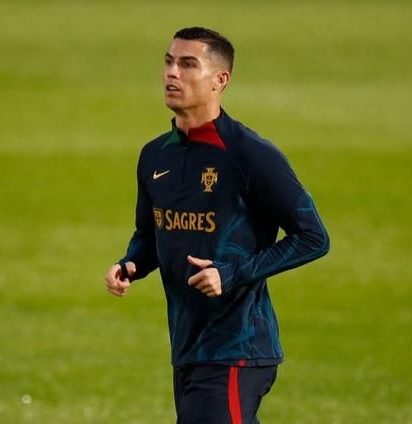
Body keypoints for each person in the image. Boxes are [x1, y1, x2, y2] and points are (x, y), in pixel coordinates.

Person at [105, 26, 330, 424]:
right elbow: (150, 233)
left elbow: (313, 237)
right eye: (169, 62)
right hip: (188, 347)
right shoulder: (155, 155)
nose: (172, 73)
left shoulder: (250, 154)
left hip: (236, 348)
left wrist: (231, 273)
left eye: (188, 64)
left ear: (220, 80)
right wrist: (131, 264)